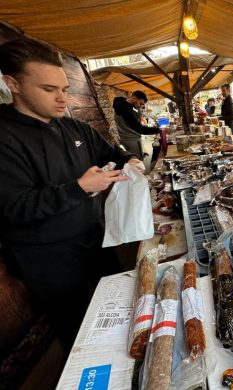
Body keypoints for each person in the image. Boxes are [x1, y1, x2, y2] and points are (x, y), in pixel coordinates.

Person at [0, 38, 141, 349]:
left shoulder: (74, 128)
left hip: (96, 242)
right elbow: (13, 207)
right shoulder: (5, 136)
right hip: (50, 262)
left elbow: (113, 152)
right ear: (13, 84)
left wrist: (130, 160)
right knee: (84, 339)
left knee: (122, 319)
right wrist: (79, 188)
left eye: (64, 88)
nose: (62, 98)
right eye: (49, 90)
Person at [113, 90, 160, 159]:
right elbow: (140, 129)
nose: (140, 106)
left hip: (127, 138)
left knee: (135, 161)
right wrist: (159, 130)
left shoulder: (123, 106)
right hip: (131, 140)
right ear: (134, 98)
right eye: (140, 103)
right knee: (137, 162)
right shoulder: (125, 109)